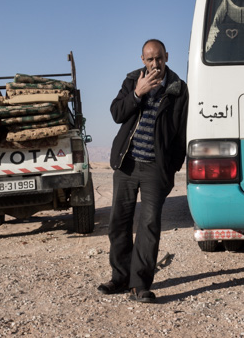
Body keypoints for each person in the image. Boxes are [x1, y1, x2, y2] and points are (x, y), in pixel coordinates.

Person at [97, 39, 189, 303]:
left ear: (166, 57)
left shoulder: (178, 89)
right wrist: (137, 93)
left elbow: (181, 133)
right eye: (149, 59)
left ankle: (139, 285)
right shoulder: (131, 81)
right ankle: (120, 278)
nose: (155, 64)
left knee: (148, 225)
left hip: (154, 169)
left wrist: (169, 170)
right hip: (127, 164)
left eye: (159, 58)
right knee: (119, 223)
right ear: (142, 60)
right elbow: (116, 113)